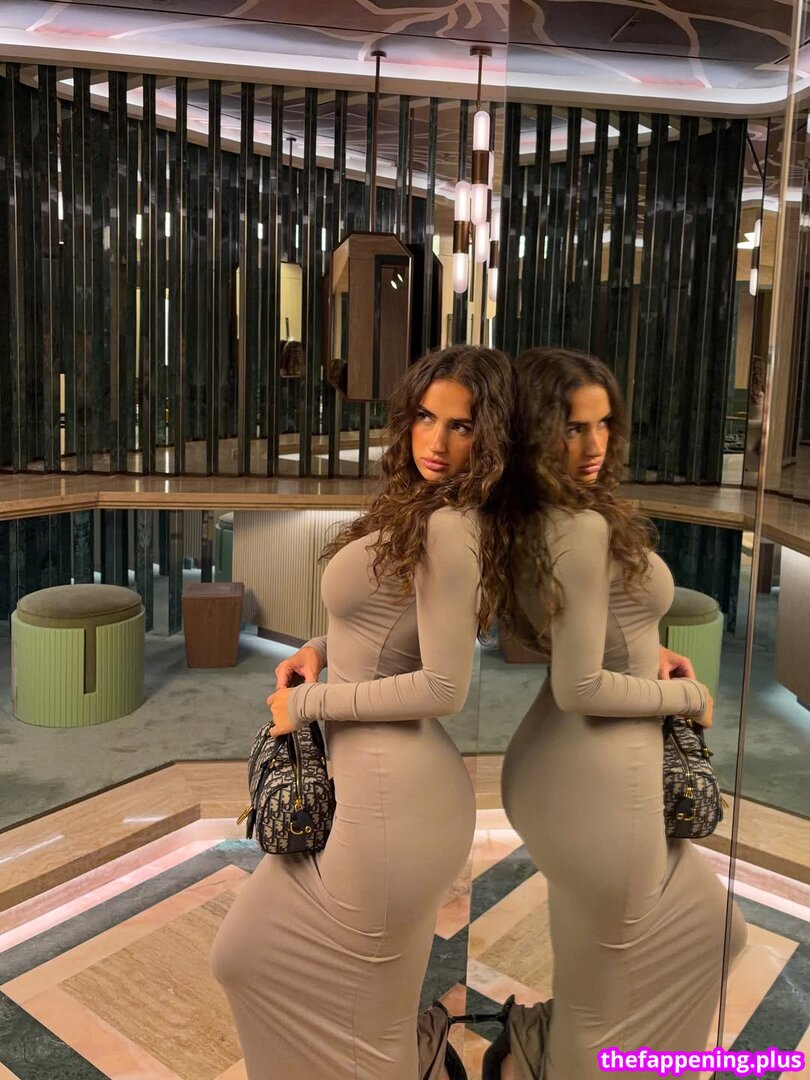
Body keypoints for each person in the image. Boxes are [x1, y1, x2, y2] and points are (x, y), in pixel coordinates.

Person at [212, 345, 514, 1080]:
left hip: (391, 802)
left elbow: (443, 687)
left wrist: (307, 702)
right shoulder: (418, 507)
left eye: (462, 426)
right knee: (254, 962)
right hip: (375, 786)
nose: (436, 441)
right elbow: (386, 633)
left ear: (489, 437)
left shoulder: (451, 527)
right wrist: (318, 650)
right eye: (426, 417)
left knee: (345, 1017)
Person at [500, 348, 747, 1080]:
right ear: (535, 431)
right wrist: (687, 697)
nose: (594, 445)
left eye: (603, 424)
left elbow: (564, 637)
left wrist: (646, 652)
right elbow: (580, 685)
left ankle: (547, 1061)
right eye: (572, 427)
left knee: (708, 934)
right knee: (600, 999)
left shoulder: (542, 516)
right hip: (596, 773)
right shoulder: (576, 529)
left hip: (573, 768)